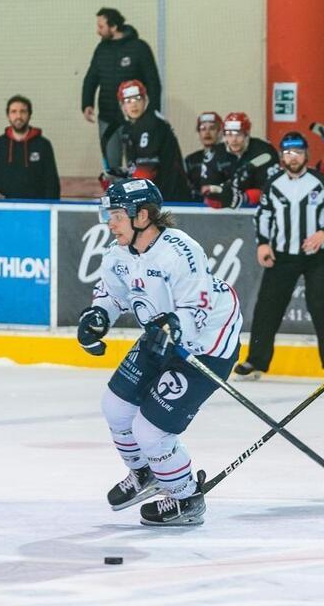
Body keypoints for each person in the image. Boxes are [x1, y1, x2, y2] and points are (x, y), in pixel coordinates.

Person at [76, 178, 242, 526]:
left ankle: (186, 498)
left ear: (143, 216)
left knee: (150, 431)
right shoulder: (118, 255)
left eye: (118, 214)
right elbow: (111, 294)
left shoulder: (180, 250)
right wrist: (97, 316)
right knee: (115, 408)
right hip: (161, 334)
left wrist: (175, 327)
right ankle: (145, 474)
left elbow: (198, 305)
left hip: (206, 345)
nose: (110, 222)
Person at [234, 131, 324, 380]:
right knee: (267, 307)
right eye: (287, 152)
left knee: (320, 306)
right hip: (282, 256)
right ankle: (256, 362)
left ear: (306, 154)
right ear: (282, 156)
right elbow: (263, 216)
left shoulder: (321, 182)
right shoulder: (273, 184)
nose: (292, 157)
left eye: (297, 152)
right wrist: (263, 244)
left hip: (317, 256)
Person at [82, 7, 162, 146]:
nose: (97, 31)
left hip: (135, 119)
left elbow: (153, 82)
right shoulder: (101, 49)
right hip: (107, 118)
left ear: (113, 27)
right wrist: (87, 103)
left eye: (101, 27)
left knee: (139, 163)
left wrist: (152, 113)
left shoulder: (139, 48)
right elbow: (91, 77)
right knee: (111, 165)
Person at [102, 80, 190, 201]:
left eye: (137, 98)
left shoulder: (149, 124)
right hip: (164, 197)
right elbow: (138, 167)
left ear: (145, 100)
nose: (133, 105)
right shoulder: (133, 126)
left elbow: (146, 170)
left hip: (169, 200)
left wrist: (125, 192)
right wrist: (120, 175)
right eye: (128, 101)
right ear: (122, 106)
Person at [0, 95, 61, 200]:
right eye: (13, 112)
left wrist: (49, 208)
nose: (18, 116)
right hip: (4, 208)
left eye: (23, 111)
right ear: (8, 116)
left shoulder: (43, 145)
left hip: (36, 209)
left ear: (29, 115)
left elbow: (51, 181)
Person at [199, 112, 280, 209]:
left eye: (238, 134)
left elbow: (272, 189)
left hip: (260, 209)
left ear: (247, 134)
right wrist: (220, 194)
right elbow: (207, 189)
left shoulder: (264, 151)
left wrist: (245, 198)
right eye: (229, 134)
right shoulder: (214, 154)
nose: (233, 140)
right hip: (225, 213)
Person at [184, 111, 222, 202]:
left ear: (220, 132)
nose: (207, 133)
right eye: (203, 128)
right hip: (195, 207)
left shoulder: (229, 158)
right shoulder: (190, 160)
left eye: (212, 128)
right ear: (199, 132)